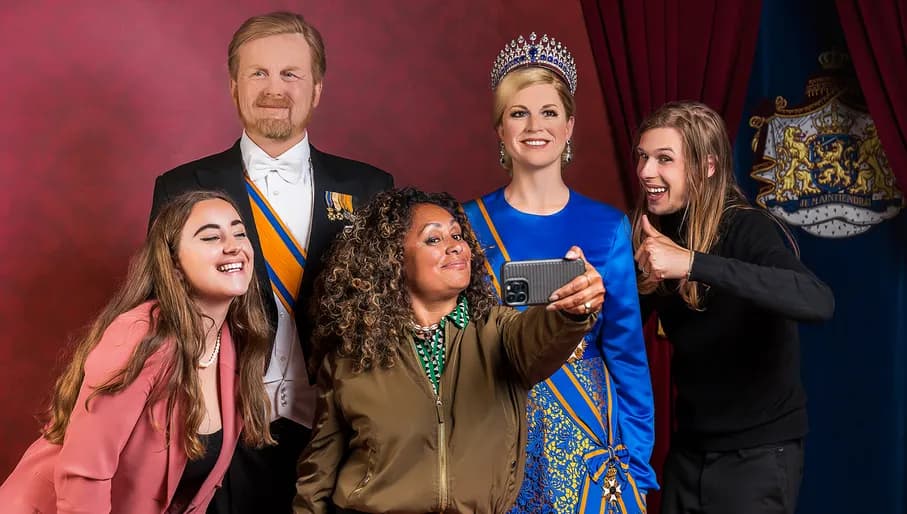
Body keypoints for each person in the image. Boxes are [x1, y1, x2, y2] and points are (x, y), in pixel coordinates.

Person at [150, 12, 393, 513]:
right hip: (223, 434)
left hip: (340, 431)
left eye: (291, 74)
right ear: (233, 86)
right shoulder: (181, 187)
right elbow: (163, 314)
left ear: (317, 88)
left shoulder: (370, 188)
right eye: (258, 73)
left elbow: (389, 316)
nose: (273, 88)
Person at [293, 188, 604, 514]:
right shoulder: (352, 354)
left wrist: (574, 311)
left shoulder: (498, 331)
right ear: (392, 258)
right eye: (433, 239)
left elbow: (542, 338)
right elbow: (318, 473)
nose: (456, 246)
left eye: (457, 235)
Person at [462, 32, 656, 513]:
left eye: (549, 112)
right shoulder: (465, 224)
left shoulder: (608, 226)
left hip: (589, 432)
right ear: (500, 128)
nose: (535, 126)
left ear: (569, 125)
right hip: (501, 424)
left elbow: (627, 354)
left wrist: (634, 462)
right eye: (518, 112)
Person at [0, 191, 273, 513]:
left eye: (240, 232)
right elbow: (84, 474)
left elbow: (193, 493)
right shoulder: (141, 336)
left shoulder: (232, 343)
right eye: (211, 236)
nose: (233, 245)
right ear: (173, 265)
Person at [631, 101, 835, 514]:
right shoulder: (655, 229)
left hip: (757, 456)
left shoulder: (746, 226)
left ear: (706, 167)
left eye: (664, 159)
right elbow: (620, 330)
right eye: (643, 157)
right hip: (689, 453)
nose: (645, 172)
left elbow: (817, 300)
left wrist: (691, 263)